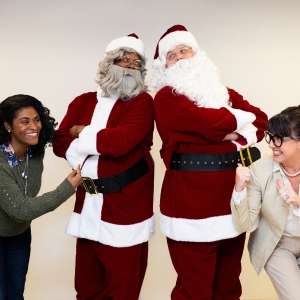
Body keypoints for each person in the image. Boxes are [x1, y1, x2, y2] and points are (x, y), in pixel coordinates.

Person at [150, 24, 268, 299]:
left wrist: (225, 131)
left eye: (184, 50)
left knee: (228, 285)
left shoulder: (222, 92)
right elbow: (200, 122)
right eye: (171, 55)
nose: (179, 58)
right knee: (195, 289)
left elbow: (260, 120)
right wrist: (234, 127)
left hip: (232, 200)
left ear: (196, 54)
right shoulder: (166, 97)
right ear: (164, 65)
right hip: (191, 203)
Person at [52, 33, 154, 300]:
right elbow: (60, 142)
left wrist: (80, 131)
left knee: (123, 291)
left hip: (124, 207)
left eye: (136, 63)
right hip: (86, 207)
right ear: (109, 63)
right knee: (87, 289)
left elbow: (121, 142)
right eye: (124, 59)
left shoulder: (142, 102)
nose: (131, 66)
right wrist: (98, 139)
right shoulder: (83, 101)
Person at [0, 94, 82, 300]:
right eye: (24, 121)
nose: (33, 127)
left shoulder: (34, 152)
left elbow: (64, 135)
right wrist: (67, 188)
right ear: (8, 126)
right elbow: (21, 210)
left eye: (36, 120)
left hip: (18, 235)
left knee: (15, 294)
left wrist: (81, 129)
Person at [231, 106, 300, 300]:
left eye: (279, 138)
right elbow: (243, 225)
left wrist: (297, 202)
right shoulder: (259, 170)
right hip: (277, 244)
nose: (271, 145)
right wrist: (239, 189)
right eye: (270, 137)